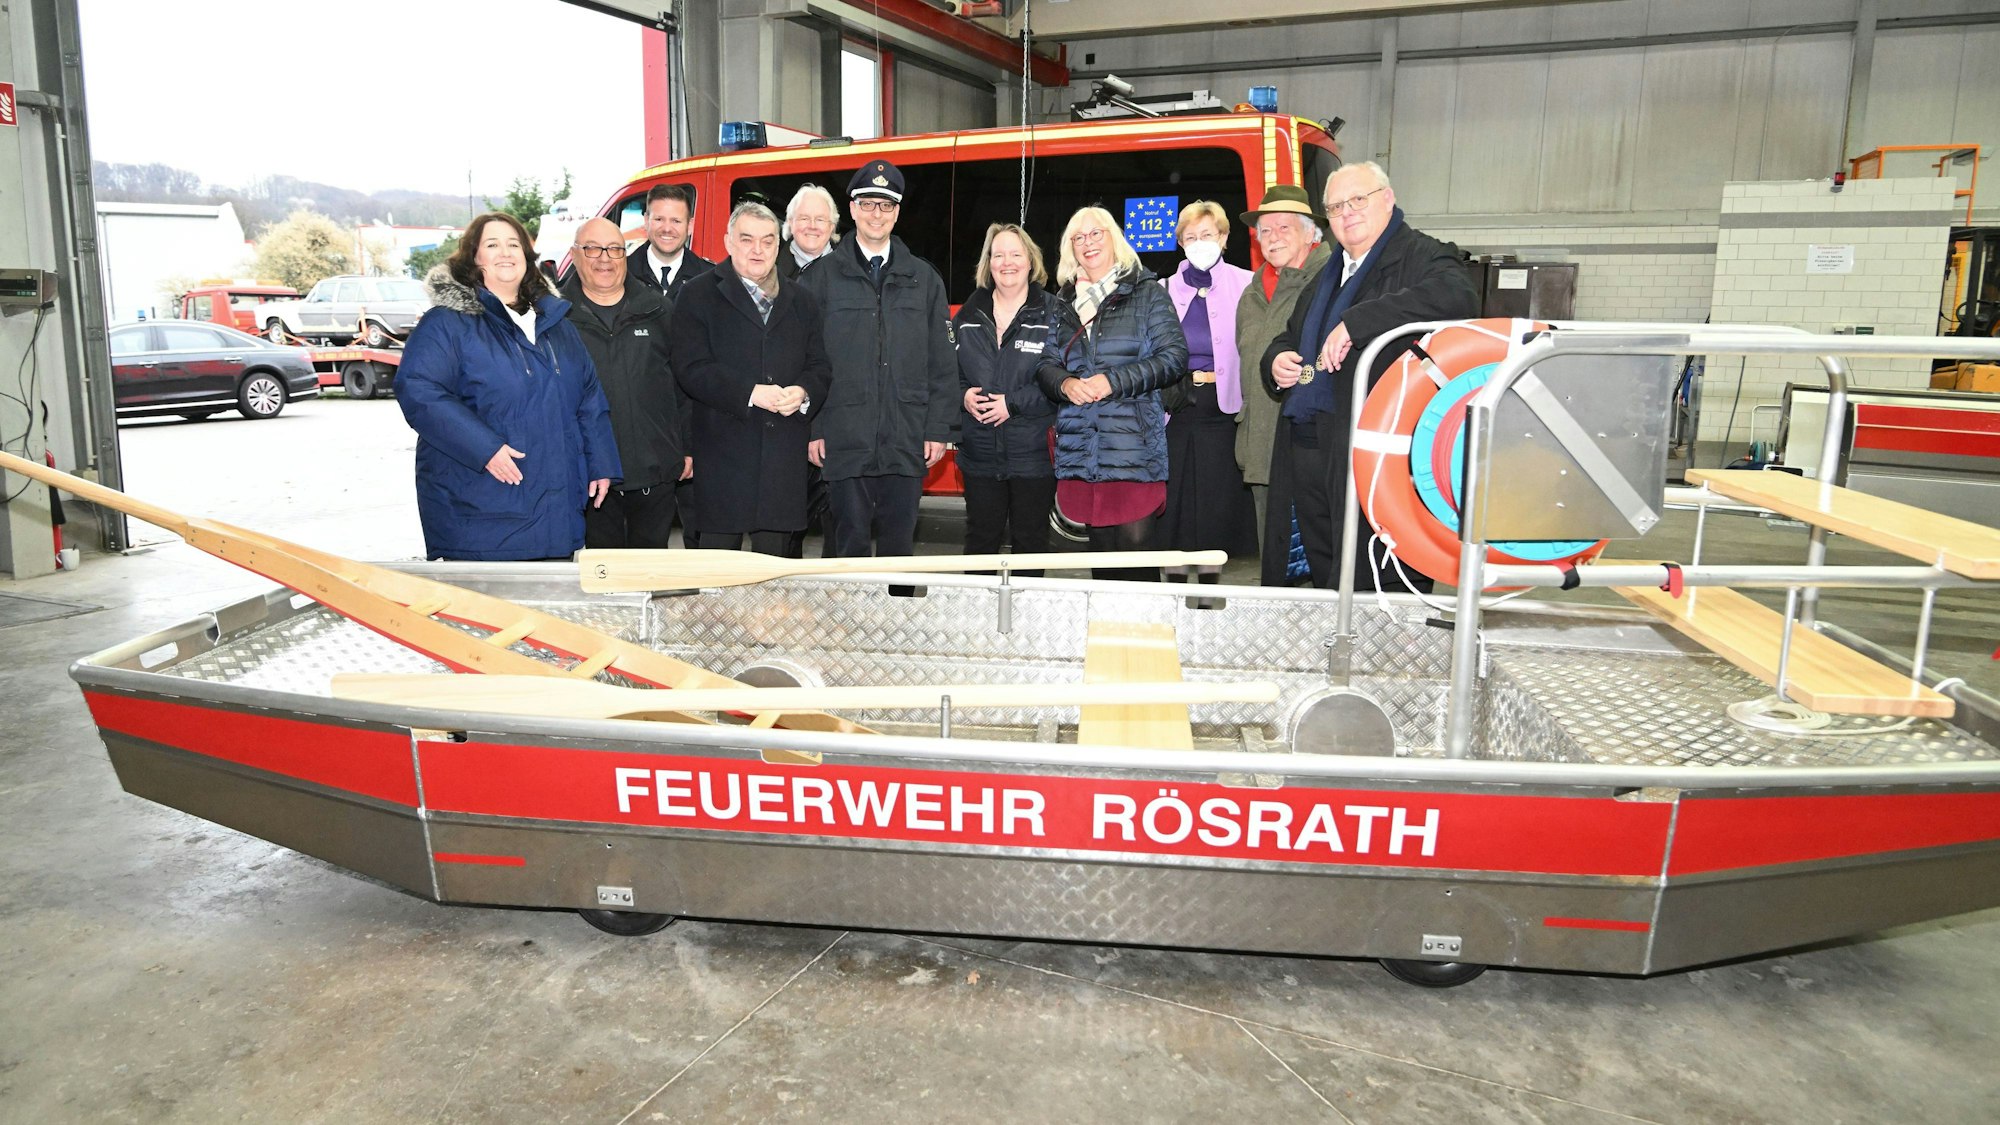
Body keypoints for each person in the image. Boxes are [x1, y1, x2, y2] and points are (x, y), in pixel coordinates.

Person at [1262, 161, 1480, 590]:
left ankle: (1383, 635)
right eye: (1335, 207)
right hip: (1310, 441)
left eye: (1358, 200)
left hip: (1375, 444)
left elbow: (1459, 297)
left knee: (1376, 567)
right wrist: (1276, 359)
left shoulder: (1422, 254)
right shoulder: (1329, 273)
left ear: (1388, 199)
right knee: (1325, 564)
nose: (1346, 213)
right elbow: (1290, 334)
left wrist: (1359, 322)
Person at [398, 212, 619, 561]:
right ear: (474, 257)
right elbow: (419, 389)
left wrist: (601, 462)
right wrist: (484, 449)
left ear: (527, 256)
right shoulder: (447, 323)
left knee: (550, 594)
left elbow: (589, 398)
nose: (505, 252)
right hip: (482, 510)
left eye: (514, 244)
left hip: (557, 513)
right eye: (492, 244)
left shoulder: (557, 325)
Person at [801, 160, 957, 559]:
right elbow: (806, 361)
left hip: (906, 434)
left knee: (899, 546)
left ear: (897, 213)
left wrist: (937, 428)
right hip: (843, 435)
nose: (877, 214)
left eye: (886, 205)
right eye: (868, 204)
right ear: (852, 209)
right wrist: (814, 427)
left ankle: (898, 601)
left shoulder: (924, 279)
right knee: (847, 542)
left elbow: (942, 363)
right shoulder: (820, 278)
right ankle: (853, 604)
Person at [1037, 206, 1188, 582]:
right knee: (1101, 552)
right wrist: (1065, 384)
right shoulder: (1063, 303)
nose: (1087, 243)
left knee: (1136, 552)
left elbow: (1174, 358)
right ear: (1070, 248)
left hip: (1132, 447)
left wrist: (1113, 381)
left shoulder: (1147, 293)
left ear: (1114, 238)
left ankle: (1145, 622)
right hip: (1083, 447)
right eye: (1078, 237)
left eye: (1096, 233)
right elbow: (1046, 365)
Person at [669, 202, 828, 556]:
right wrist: (751, 393)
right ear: (728, 241)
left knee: (773, 572)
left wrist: (803, 392)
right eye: (747, 239)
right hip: (723, 456)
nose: (758, 249)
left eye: (767, 241)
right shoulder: (697, 294)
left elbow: (820, 365)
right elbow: (690, 367)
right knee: (719, 572)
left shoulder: (802, 300)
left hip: (782, 460)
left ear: (778, 246)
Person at [563, 216, 690, 549]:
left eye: (615, 249)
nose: (605, 258)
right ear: (574, 255)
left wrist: (687, 448)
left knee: (650, 571)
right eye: (593, 249)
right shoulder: (557, 319)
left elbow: (684, 386)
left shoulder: (658, 310)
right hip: (588, 476)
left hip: (654, 473)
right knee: (602, 572)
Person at [1158, 200, 1258, 594]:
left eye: (1208, 234)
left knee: (1216, 509)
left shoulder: (1249, 284)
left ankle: (1209, 599)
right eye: (1191, 236)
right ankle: (1174, 594)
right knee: (1175, 508)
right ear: (1181, 242)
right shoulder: (1161, 289)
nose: (1200, 242)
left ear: (1224, 238)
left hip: (1224, 409)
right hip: (1176, 410)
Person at [951, 223, 1065, 570]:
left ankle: (1027, 608)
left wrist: (1011, 404)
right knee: (980, 540)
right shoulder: (967, 316)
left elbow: (1063, 381)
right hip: (980, 455)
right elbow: (947, 374)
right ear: (988, 263)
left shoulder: (1054, 313)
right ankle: (978, 607)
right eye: (998, 255)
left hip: (1033, 455)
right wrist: (963, 395)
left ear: (1030, 261)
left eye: (1015, 254)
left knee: (1030, 542)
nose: (1007, 262)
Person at [1235, 185, 1333, 586]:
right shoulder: (1253, 291)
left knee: (1314, 562)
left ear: (1311, 233)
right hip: (1261, 444)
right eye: (1264, 230)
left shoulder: (1331, 281)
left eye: (1283, 227)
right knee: (1274, 562)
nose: (1271, 237)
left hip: (1306, 444)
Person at [626, 182, 713, 300]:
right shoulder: (622, 273)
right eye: (659, 219)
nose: (667, 229)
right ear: (646, 221)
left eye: (676, 221)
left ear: (690, 226)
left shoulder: (710, 278)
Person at [779, 183, 840, 281]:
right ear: (791, 223)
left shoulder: (852, 269)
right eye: (804, 218)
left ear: (831, 226)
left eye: (820, 219)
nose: (812, 226)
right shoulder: (768, 268)